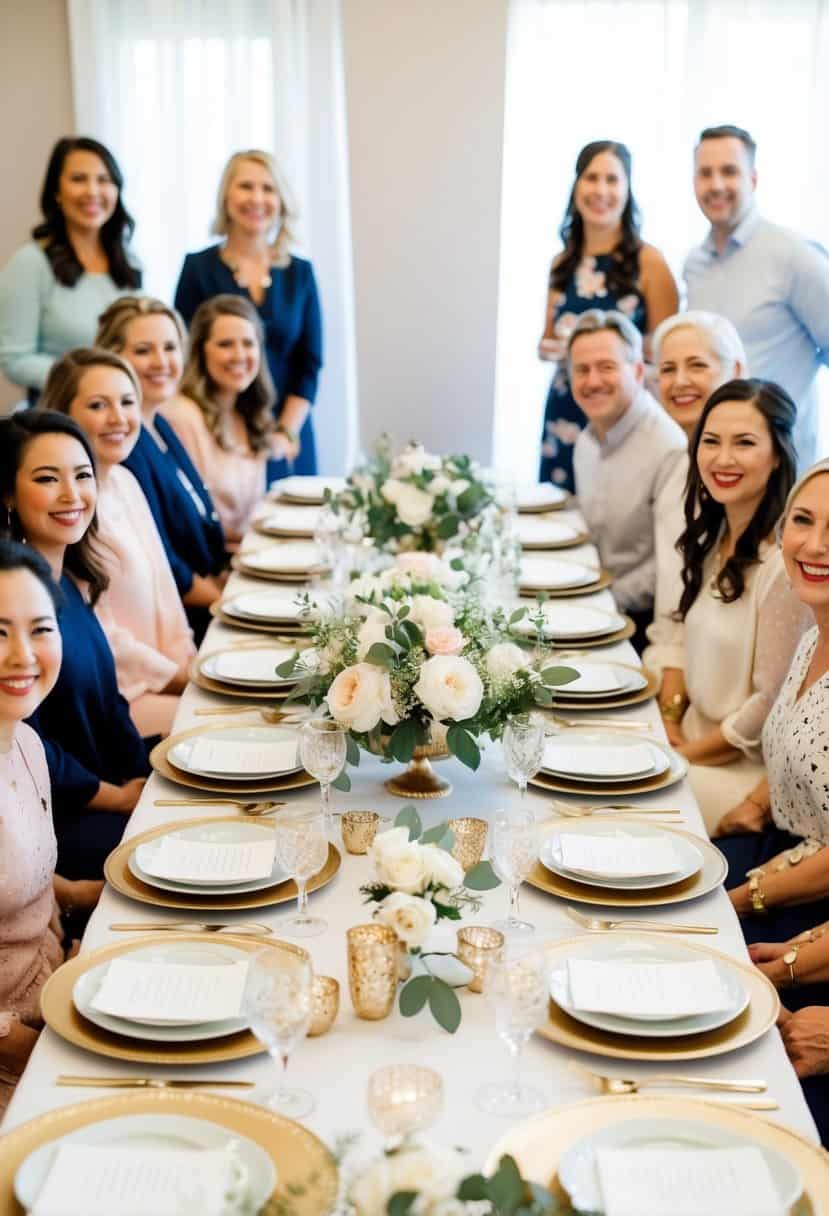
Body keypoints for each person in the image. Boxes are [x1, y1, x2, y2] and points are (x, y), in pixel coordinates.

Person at [656, 380, 811, 832]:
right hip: (695, 741)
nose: (723, 459)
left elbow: (769, 705)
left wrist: (680, 754)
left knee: (609, 805)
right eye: (711, 441)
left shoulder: (780, 568)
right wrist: (669, 719)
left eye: (744, 443)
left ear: (778, 454)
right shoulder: (716, 540)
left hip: (739, 774)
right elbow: (681, 639)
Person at [0, 410, 149, 878]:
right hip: (56, 818)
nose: (71, 495)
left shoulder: (67, 583)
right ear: (7, 494)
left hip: (103, 785)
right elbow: (32, 746)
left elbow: (109, 703)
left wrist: (143, 773)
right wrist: (120, 797)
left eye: (82, 475)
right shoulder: (14, 598)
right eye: (48, 479)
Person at [41, 349, 195, 736]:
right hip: (123, 696)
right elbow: (103, 637)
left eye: (127, 402)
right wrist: (181, 678)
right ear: (65, 415)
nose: (119, 418)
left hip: (167, 680)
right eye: (98, 405)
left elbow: (166, 594)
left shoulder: (126, 480)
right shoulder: (70, 508)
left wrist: (191, 664)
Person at [0, 539, 103, 1113]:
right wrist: (29, 1052)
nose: (23, 656)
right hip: (19, 1051)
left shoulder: (27, 741)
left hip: (58, 987)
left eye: (40, 629)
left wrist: (87, 895)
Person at [715, 462, 829, 942]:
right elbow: (799, 741)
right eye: (803, 520)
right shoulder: (814, 636)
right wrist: (755, 801)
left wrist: (735, 902)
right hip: (779, 849)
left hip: (811, 902)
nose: (815, 545)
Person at [684, 125, 829, 469]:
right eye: (705, 173)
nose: (716, 184)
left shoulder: (794, 256)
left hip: (783, 466)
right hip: (719, 467)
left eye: (729, 171)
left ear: (752, 179)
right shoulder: (693, 265)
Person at [538, 140, 678, 492]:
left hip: (623, 415)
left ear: (627, 190)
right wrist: (555, 349)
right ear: (576, 186)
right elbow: (547, 341)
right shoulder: (562, 263)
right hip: (565, 408)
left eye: (612, 180)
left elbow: (667, 355)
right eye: (591, 178)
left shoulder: (650, 263)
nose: (601, 190)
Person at [174, 149, 322, 481]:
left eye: (268, 189)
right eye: (245, 187)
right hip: (221, 434)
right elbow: (185, 357)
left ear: (281, 200)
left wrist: (286, 431)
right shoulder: (197, 269)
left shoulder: (301, 274)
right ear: (226, 195)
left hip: (289, 429)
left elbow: (310, 363)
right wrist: (215, 430)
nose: (257, 198)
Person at [95, 297, 226, 642]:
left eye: (170, 348)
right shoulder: (125, 444)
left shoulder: (160, 425)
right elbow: (161, 558)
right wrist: (225, 601)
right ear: (114, 357)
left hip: (206, 597)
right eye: (143, 350)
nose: (161, 362)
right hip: (181, 622)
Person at [568, 309, 686, 646]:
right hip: (594, 602)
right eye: (581, 370)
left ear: (636, 370)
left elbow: (668, 565)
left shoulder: (669, 449)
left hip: (640, 624)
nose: (592, 381)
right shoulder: (586, 441)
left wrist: (600, 601)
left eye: (606, 367)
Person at [0, 137, 141, 403]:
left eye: (103, 180)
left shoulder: (131, 262)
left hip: (125, 412)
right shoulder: (29, 263)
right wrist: (90, 380)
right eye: (78, 179)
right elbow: (14, 359)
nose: (92, 191)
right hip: (61, 414)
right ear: (56, 192)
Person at [644, 312, 747, 674]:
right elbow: (672, 598)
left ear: (735, 370)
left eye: (697, 365)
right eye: (668, 369)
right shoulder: (678, 468)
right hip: (671, 666)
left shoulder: (741, 479)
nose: (680, 381)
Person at [161, 295, 276, 549]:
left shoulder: (250, 415)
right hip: (208, 566)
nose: (239, 355)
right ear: (201, 351)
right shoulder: (181, 415)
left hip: (250, 557)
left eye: (248, 343)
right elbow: (181, 517)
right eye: (225, 344)